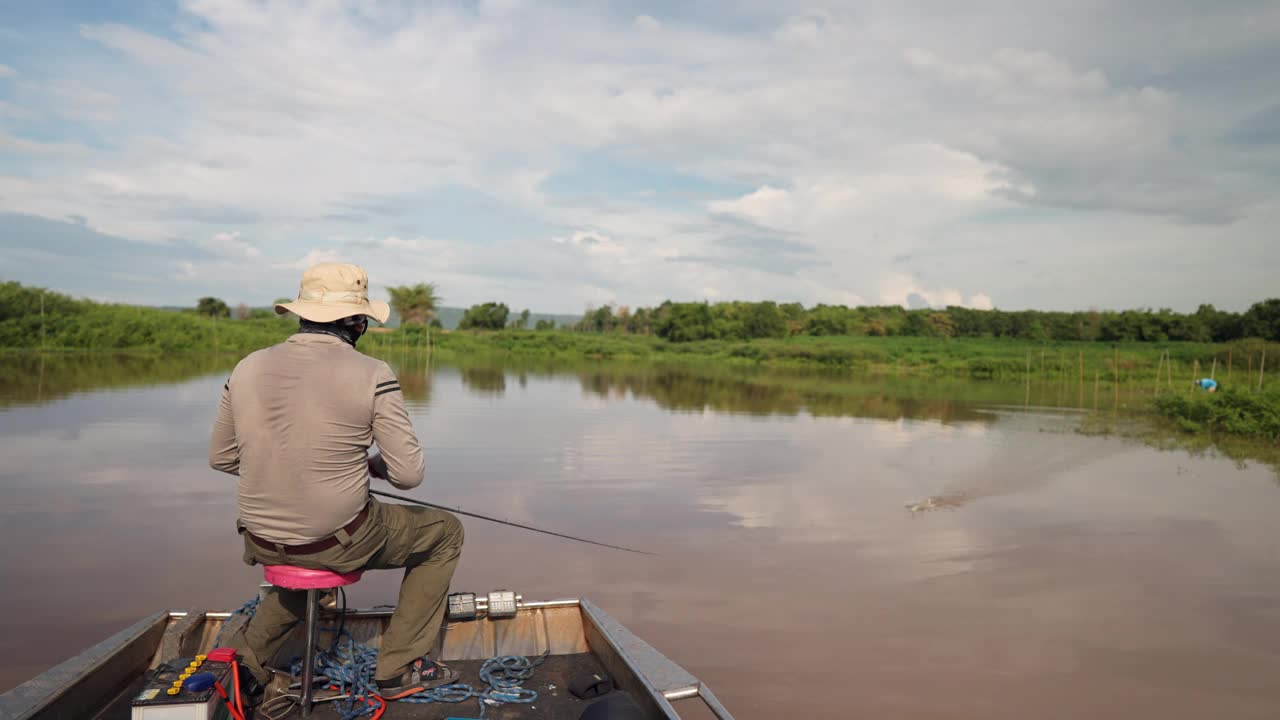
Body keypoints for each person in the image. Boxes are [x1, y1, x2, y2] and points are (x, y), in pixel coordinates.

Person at [209, 262, 464, 701]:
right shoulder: (372, 373)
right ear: (358, 322)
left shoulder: (247, 366)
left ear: (303, 314)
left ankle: (246, 665)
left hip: (259, 538)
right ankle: (400, 666)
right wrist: (374, 466)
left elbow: (222, 458)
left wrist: (288, 473)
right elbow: (408, 474)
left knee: (308, 553)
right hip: (336, 540)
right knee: (445, 532)